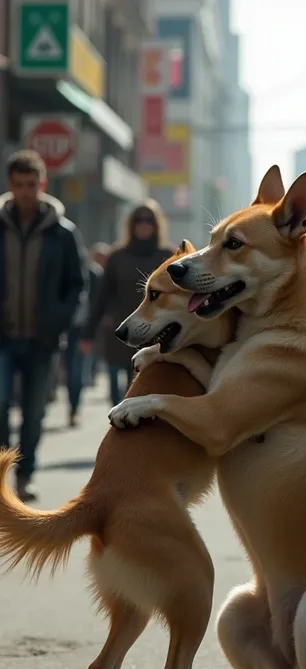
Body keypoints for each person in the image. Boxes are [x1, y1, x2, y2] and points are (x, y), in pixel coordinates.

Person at [0, 149, 85, 501]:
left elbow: (76, 284)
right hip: (2, 338)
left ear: (42, 185)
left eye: (31, 184)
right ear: (10, 185)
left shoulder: (62, 233)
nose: (25, 191)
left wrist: (57, 324)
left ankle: (26, 475)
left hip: (42, 339)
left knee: (34, 414)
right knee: (0, 405)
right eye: (19, 184)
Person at [82, 201, 174, 405]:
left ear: (156, 224)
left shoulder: (168, 255)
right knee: (117, 390)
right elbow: (102, 296)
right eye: (138, 220)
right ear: (131, 225)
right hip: (120, 330)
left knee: (144, 386)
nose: (143, 224)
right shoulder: (117, 256)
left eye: (148, 220)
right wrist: (88, 334)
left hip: (154, 332)